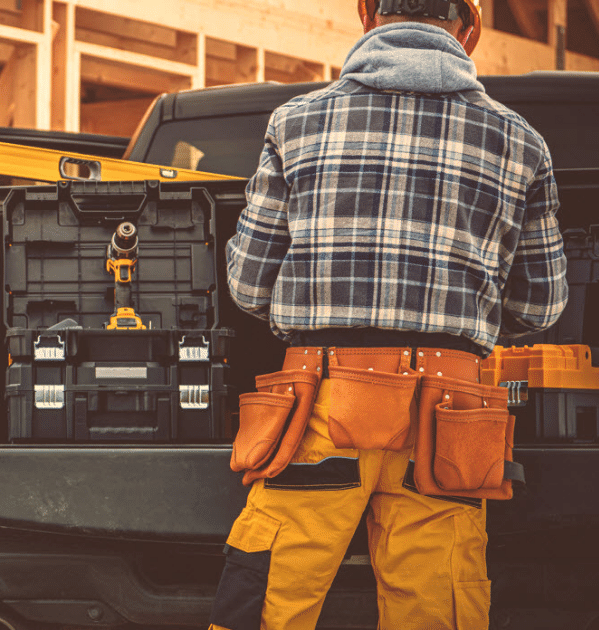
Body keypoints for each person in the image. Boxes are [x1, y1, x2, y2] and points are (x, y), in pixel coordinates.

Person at [210, 0, 568, 628]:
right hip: (449, 422)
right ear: (471, 25)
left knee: (266, 603)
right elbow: (540, 304)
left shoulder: (296, 124)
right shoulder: (521, 143)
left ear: (366, 14)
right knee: (439, 609)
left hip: (318, 408)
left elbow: (246, 283)